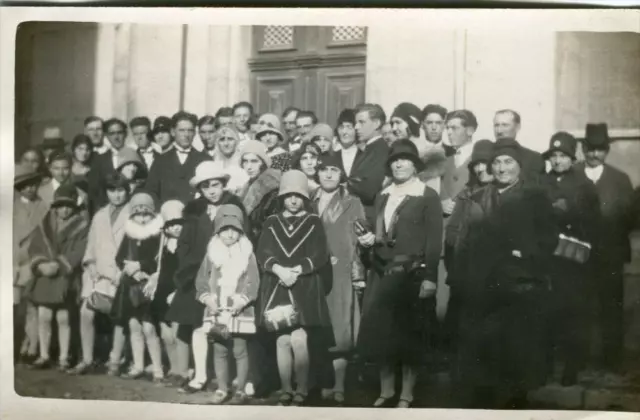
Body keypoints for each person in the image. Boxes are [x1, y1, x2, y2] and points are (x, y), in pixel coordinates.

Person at [454, 139, 557, 409]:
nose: (501, 168)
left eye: (508, 162)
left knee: (517, 345)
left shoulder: (534, 197)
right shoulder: (477, 197)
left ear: (519, 166)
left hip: (519, 284)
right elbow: (463, 241)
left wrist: (526, 254)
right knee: (484, 345)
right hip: (482, 284)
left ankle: (517, 398)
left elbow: (549, 239)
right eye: (497, 163)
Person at [356, 139, 443, 408]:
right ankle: (386, 390)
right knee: (383, 335)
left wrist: (430, 278)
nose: (399, 164)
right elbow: (379, 232)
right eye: (394, 160)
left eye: (405, 159)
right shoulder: (383, 196)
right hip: (382, 275)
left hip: (411, 275)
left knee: (409, 336)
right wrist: (368, 241)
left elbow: (433, 240)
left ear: (415, 165)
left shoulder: (427, 195)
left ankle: (406, 393)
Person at [165, 161, 246, 392]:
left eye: (216, 185)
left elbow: (242, 241)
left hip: (227, 277)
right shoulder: (193, 211)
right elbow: (184, 245)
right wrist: (191, 268)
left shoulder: (234, 207)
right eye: (206, 186)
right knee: (199, 327)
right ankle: (200, 375)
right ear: (199, 189)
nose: (211, 190)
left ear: (224, 185)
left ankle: (227, 377)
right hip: (196, 276)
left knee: (226, 326)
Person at [256, 170, 333, 407]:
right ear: (281, 198)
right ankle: (286, 388)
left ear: (305, 199)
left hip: (305, 286)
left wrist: (297, 271)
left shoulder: (313, 221)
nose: (293, 200)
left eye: (298, 196)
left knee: (300, 339)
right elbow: (263, 253)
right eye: (288, 195)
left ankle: (302, 388)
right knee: (282, 340)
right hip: (278, 284)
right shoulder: (271, 222)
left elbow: (320, 254)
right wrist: (279, 270)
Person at [541, 132, 602, 386]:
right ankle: (545, 366)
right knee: (546, 310)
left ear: (572, 157)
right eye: (553, 156)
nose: (557, 161)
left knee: (573, 312)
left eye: (562, 156)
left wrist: (570, 213)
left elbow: (594, 223)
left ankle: (572, 366)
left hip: (573, 258)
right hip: (546, 257)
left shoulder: (583, 185)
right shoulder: (540, 183)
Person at [574, 123, 634, 372]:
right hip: (577, 256)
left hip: (610, 255)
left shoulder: (620, 179)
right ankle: (579, 359)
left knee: (611, 307)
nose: (594, 155)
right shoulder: (573, 174)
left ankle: (612, 359)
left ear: (606, 151)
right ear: (583, 149)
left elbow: (629, 217)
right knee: (579, 307)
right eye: (589, 149)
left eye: (599, 150)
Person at [312, 153, 366, 406]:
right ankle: (318, 382)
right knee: (316, 327)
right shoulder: (308, 199)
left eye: (335, 169)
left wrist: (357, 274)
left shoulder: (351, 202)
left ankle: (339, 385)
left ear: (342, 174)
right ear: (317, 172)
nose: (329, 174)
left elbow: (358, 242)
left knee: (339, 329)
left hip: (339, 272)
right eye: (324, 169)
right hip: (311, 273)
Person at [195, 204, 260, 405]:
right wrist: (207, 298)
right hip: (216, 309)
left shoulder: (247, 253)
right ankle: (222, 388)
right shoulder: (212, 253)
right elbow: (201, 280)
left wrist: (241, 301)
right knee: (220, 349)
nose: (230, 234)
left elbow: (253, 281)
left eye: (234, 230)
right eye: (225, 229)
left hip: (239, 310)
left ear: (240, 231)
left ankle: (240, 389)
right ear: (218, 231)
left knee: (240, 350)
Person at [67, 173, 131, 375]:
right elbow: (91, 247)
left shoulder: (133, 215)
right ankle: (87, 358)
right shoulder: (99, 215)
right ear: (106, 192)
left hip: (121, 275)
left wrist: (121, 273)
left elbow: (135, 249)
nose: (117, 196)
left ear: (127, 191)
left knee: (119, 317)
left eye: (121, 190)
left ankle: (115, 359)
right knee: (86, 312)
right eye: (112, 191)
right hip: (98, 274)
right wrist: (91, 266)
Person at [26, 184, 89, 370]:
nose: (64, 210)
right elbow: (35, 246)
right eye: (60, 205)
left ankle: (63, 356)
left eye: (69, 205)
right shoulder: (45, 224)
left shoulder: (82, 226)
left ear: (75, 207)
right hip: (46, 274)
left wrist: (60, 265)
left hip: (65, 277)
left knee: (63, 317)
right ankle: (44, 354)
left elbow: (79, 251)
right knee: (44, 314)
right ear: (54, 206)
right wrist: (41, 264)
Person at [442, 139, 494, 355]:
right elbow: (453, 228)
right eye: (476, 164)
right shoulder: (467, 191)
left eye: (485, 163)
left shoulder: (497, 193)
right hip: (464, 264)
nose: (480, 169)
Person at [110, 191, 164, 381]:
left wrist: (141, 267)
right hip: (130, 284)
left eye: (146, 214)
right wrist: (130, 270)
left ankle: (158, 368)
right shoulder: (130, 233)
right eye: (138, 214)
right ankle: (138, 365)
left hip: (148, 284)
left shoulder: (158, 235)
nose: (142, 218)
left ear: (152, 214)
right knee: (133, 326)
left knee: (149, 328)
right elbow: (119, 257)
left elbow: (158, 260)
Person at [13, 164, 49, 364]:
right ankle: (15, 344)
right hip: (14, 261)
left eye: (33, 185)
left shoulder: (43, 207)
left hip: (33, 261)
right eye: (25, 186)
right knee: (15, 307)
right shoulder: (12, 207)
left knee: (33, 307)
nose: (30, 189)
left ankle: (31, 345)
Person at [147, 200, 185, 384]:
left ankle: (181, 369)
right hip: (163, 292)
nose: (176, 228)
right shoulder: (162, 247)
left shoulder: (185, 247)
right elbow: (159, 268)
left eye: (179, 224)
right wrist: (155, 277)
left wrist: (178, 291)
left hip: (178, 292)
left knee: (178, 334)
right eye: (171, 225)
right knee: (166, 335)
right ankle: (173, 367)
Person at [145, 111, 211, 205]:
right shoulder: (160, 161)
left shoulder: (205, 160)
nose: (186, 134)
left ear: (195, 133)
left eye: (190, 130)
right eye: (182, 130)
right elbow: (151, 192)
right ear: (173, 132)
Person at [390, 102, 447, 193]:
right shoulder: (394, 150)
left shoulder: (430, 154)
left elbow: (431, 195)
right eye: (392, 123)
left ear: (412, 122)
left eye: (398, 122)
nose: (394, 128)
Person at [350, 103, 390, 225]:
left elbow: (370, 190)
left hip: (370, 220)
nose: (356, 127)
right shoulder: (368, 149)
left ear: (377, 124)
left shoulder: (380, 151)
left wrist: (345, 183)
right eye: (356, 123)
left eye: (361, 122)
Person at [237, 140, 282, 246]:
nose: (249, 166)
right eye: (245, 161)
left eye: (254, 161)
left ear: (263, 162)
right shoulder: (248, 185)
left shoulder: (272, 189)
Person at [87, 118, 130, 214]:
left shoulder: (134, 156)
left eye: (119, 132)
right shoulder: (99, 160)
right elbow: (94, 191)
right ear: (106, 136)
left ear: (125, 134)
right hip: (106, 211)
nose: (116, 137)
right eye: (112, 133)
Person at [441, 110, 478, 214]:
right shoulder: (444, 160)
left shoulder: (479, 160)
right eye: (447, 128)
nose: (449, 133)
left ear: (470, 131)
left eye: (454, 128)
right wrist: (441, 202)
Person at [493, 109, 545, 183]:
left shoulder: (533, 159)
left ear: (517, 127)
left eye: (505, 125)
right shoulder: (485, 154)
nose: (499, 131)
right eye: (496, 125)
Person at [38, 151, 88, 215]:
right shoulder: (40, 192)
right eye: (56, 168)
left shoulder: (81, 194)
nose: (61, 173)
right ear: (50, 168)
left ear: (70, 169)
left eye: (65, 168)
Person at [334, 109, 358, 177]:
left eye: (349, 127)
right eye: (341, 127)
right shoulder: (333, 156)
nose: (344, 132)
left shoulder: (364, 155)